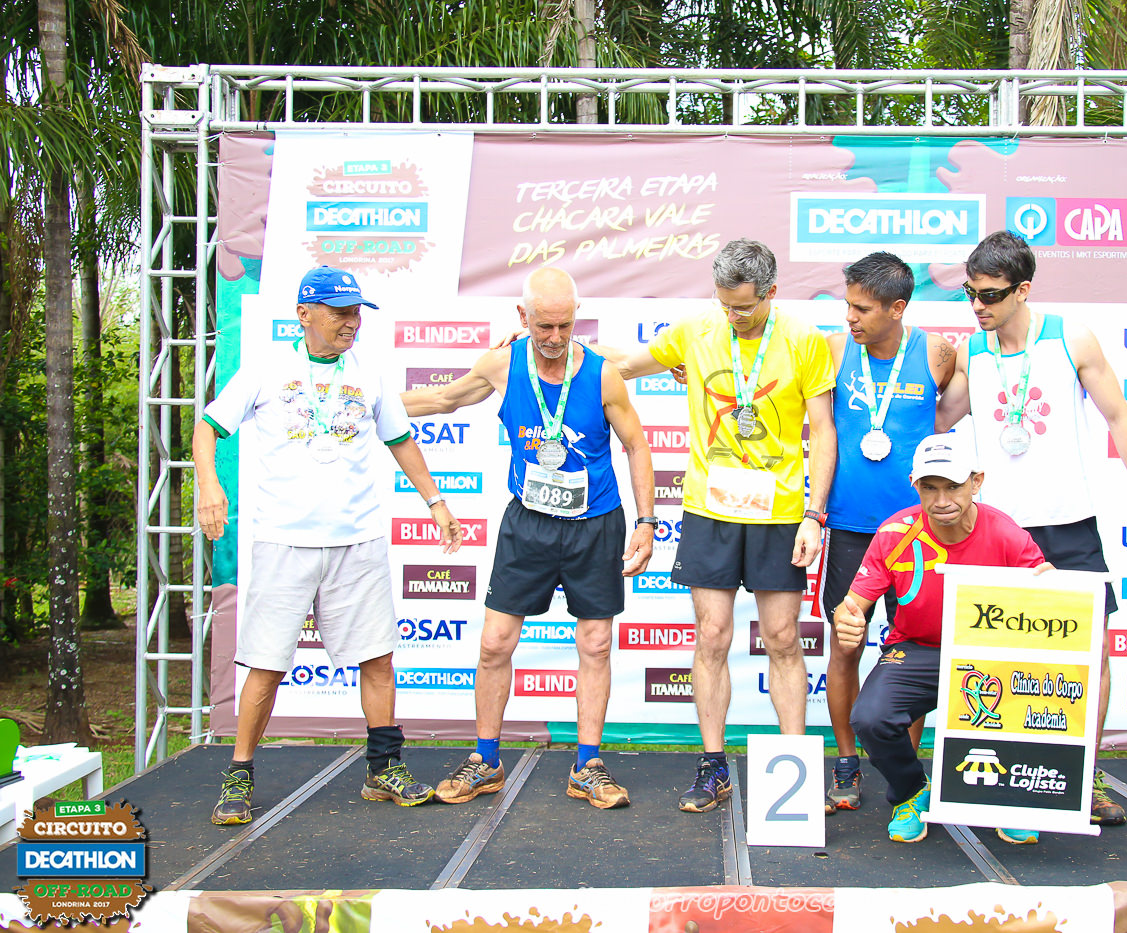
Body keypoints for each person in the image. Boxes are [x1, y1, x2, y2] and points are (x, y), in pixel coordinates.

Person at [196, 265, 464, 825]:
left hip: (356, 541)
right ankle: (238, 775)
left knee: (378, 658)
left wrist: (436, 502)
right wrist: (208, 485)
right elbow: (208, 427)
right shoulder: (267, 368)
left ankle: (383, 769)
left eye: (356, 312)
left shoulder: (369, 372)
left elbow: (401, 440)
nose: (351, 322)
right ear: (304, 314)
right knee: (265, 665)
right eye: (340, 312)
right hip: (284, 541)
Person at [937, 229, 1127, 839]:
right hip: (996, 529)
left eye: (990, 294)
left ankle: (1085, 776)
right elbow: (937, 418)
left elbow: (1119, 415)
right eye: (970, 293)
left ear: (1024, 289)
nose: (978, 305)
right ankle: (997, 776)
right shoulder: (972, 350)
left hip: (1068, 524)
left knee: (1092, 654)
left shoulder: (1071, 337)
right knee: (989, 660)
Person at [402, 267, 655, 810]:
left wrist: (646, 522)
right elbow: (444, 400)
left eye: (565, 325)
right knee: (494, 642)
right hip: (529, 523)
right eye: (544, 326)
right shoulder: (502, 363)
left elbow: (637, 444)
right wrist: (368, 403)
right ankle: (485, 760)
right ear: (523, 317)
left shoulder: (602, 374)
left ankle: (588, 765)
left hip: (595, 524)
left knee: (595, 643)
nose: (556, 337)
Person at [601, 238, 836, 813]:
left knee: (783, 638)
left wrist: (814, 514)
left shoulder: (803, 339)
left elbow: (823, 431)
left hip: (780, 511)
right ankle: (712, 767)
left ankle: (796, 773)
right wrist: (547, 342)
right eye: (725, 304)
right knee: (712, 636)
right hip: (711, 509)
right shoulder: (696, 329)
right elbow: (622, 365)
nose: (733, 316)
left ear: (771, 293)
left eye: (745, 307)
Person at [835, 432, 1050, 844]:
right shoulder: (895, 532)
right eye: (929, 488)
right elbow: (852, 604)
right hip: (917, 649)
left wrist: (1055, 590)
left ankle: (1011, 798)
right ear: (914, 484)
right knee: (870, 718)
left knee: (1035, 691)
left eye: (952, 486)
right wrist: (848, 620)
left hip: (989, 654)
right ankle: (912, 793)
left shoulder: (1006, 533)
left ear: (976, 481)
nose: (941, 500)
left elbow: (1046, 597)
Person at [819, 251, 955, 815]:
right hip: (850, 527)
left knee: (913, 655)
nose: (850, 317)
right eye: (848, 305)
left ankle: (907, 773)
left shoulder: (938, 353)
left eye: (862, 308)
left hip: (917, 535)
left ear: (897, 308)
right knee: (844, 645)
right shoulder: (832, 350)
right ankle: (846, 762)